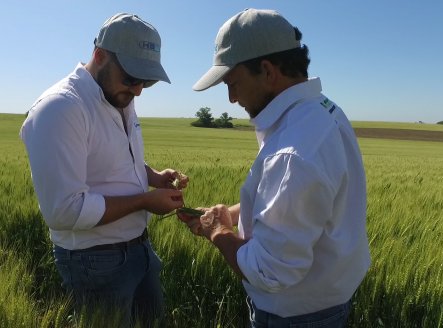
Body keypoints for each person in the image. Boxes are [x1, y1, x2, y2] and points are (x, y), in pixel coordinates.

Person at [178, 8, 371, 328]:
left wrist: (218, 232)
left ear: (267, 71)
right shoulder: (323, 110)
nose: (231, 98)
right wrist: (230, 215)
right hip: (322, 306)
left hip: (295, 316)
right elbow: (291, 205)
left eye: (233, 82)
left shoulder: (292, 153)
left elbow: (270, 270)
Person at [20, 13, 186, 327]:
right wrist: (144, 200)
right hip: (95, 261)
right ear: (100, 56)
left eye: (145, 81)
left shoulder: (118, 94)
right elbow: (63, 212)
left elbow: (115, 156)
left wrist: (153, 176)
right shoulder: (61, 109)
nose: (138, 90)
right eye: (132, 78)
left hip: (140, 247)